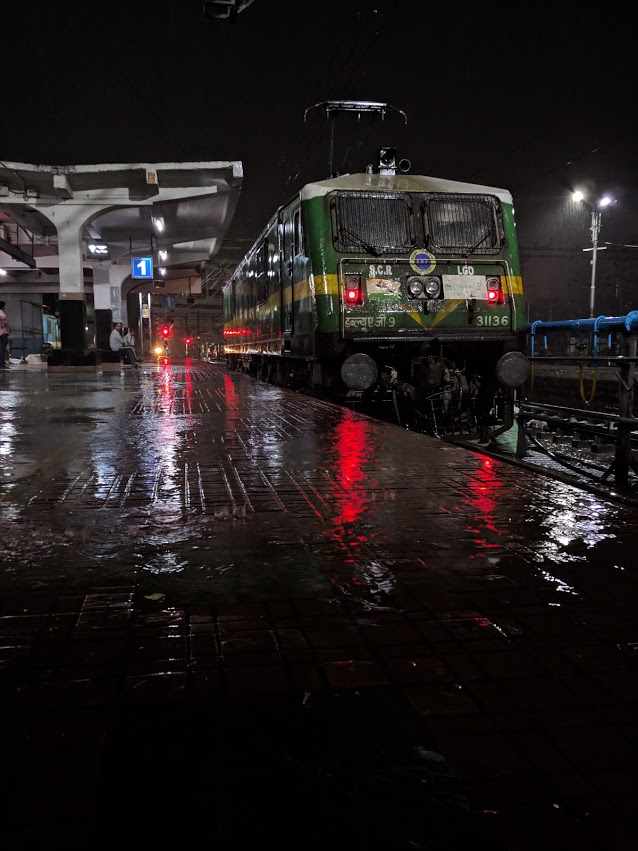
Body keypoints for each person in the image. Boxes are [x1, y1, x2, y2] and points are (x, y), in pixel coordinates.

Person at [0, 300, 11, 369]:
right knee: (2, 349)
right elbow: (3, 324)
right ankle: (1, 364)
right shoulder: (2, 314)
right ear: (2, 306)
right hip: (3, 333)